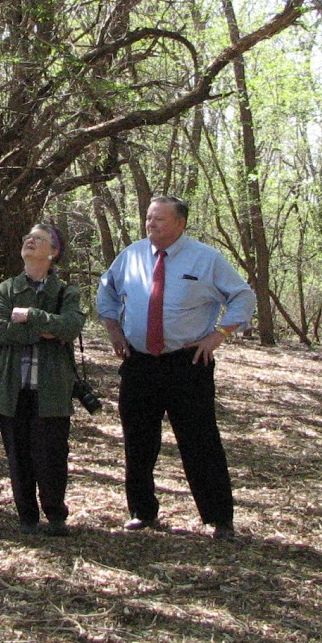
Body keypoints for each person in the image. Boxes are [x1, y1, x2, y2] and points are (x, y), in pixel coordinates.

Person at [96, 196, 252, 540]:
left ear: (180, 223)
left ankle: (218, 519)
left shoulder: (206, 258)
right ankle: (141, 511)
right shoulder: (132, 255)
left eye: (160, 220)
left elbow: (243, 296)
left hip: (187, 363)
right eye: (149, 219)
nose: (151, 225)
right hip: (138, 363)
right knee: (138, 441)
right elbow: (106, 290)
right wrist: (113, 329)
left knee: (200, 442)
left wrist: (220, 334)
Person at [0, 222, 86, 536]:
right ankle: (27, 517)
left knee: (52, 455)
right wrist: (46, 330)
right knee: (18, 454)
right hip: (11, 388)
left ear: (53, 253)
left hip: (51, 388)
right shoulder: (6, 289)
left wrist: (29, 316)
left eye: (38, 239)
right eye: (27, 237)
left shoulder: (67, 291)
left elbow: (70, 327)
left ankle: (55, 516)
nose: (29, 240)